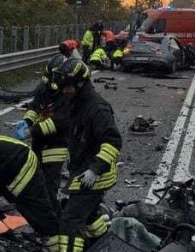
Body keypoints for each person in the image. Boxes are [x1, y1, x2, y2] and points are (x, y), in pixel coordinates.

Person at [48, 58, 122, 252]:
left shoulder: (97, 108)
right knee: (88, 216)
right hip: (82, 169)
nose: (65, 91)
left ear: (80, 83)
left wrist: (94, 169)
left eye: (68, 88)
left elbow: (113, 141)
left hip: (95, 175)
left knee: (70, 220)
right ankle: (105, 244)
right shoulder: (76, 102)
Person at [16, 53, 71, 206]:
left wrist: (31, 131)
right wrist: (27, 121)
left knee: (49, 185)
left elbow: (58, 122)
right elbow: (35, 106)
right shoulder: (45, 89)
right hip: (39, 144)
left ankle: (51, 217)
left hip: (56, 147)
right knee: (35, 179)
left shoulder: (68, 95)